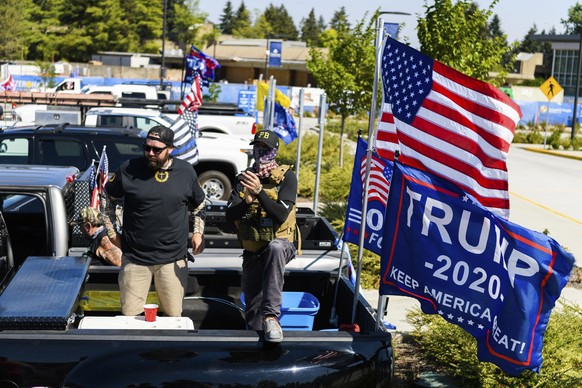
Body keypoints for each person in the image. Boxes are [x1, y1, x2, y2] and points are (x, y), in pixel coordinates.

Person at [105, 125, 206, 317]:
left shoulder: (186, 172)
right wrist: (112, 234)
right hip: (135, 259)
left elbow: (199, 205)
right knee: (130, 318)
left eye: (157, 150)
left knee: (173, 316)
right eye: (147, 147)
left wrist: (198, 233)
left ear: (170, 149)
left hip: (173, 259)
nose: (150, 153)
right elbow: (107, 199)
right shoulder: (128, 169)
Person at [226, 129, 298, 342]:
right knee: (252, 305)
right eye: (257, 147)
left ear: (274, 151)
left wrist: (260, 193)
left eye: (266, 148)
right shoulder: (245, 178)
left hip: (281, 244)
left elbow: (281, 214)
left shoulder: (287, 177)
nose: (260, 152)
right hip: (253, 248)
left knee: (275, 247)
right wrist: (246, 201)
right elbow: (229, 216)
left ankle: (272, 317)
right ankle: (255, 341)